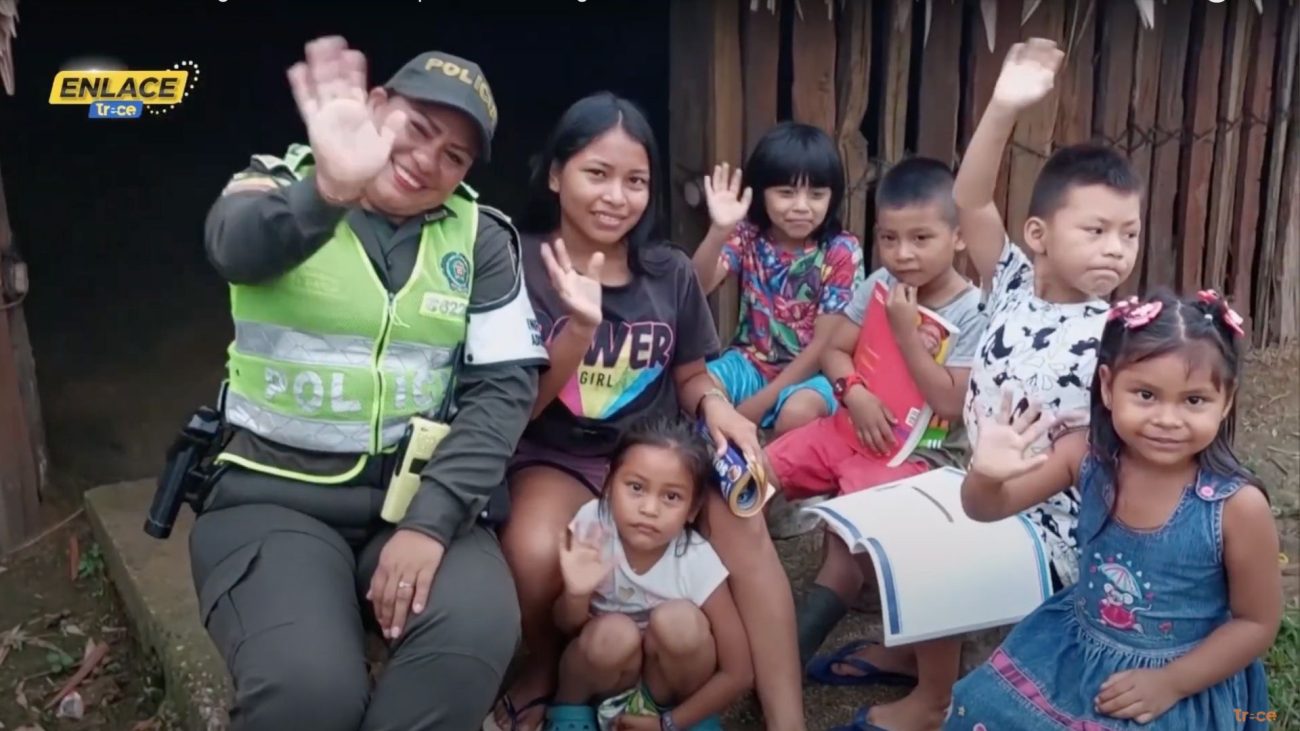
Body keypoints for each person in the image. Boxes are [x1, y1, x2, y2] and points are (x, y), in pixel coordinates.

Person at [189, 37, 547, 731]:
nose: (427, 162)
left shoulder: (481, 239)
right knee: (308, 695)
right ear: (376, 105)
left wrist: (432, 519)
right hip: (271, 498)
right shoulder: (274, 182)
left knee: (470, 635)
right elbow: (234, 246)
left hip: (416, 502)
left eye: (455, 156)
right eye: (416, 130)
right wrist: (329, 189)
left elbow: (503, 392)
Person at [489, 92, 807, 731]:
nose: (616, 196)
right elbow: (515, 408)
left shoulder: (668, 273)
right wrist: (577, 331)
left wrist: (716, 406)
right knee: (530, 547)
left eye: (635, 181)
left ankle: (787, 716)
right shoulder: (516, 263)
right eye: (596, 174)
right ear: (556, 175)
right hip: (555, 451)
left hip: (660, 450)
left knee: (745, 520)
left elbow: (689, 371)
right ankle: (549, 667)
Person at [946, 290, 1280, 730]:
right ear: (1107, 385)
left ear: (1227, 400)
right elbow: (986, 509)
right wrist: (985, 475)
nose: (1167, 418)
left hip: (1186, 676)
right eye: (1145, 394)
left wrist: (1172, 683)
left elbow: (1257, 623)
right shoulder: (1084, 455)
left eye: (1193, 400)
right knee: (986, 704)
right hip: (1075, 645)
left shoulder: (1236, 506)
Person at [762, 159, 988, 731]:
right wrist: (852, 391)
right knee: (754, 474)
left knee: (856, 539)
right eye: (889, 238)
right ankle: (736, 613)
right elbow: (837, 347)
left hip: (918, 457)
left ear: (958, 237)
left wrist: (907, 330)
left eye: (921, 238)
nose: (903, 253)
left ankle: (787, 657)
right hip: (845, 431)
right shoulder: (878, 284)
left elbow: (948, 402)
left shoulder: (974, 313)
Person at [956, 38, 1143, 594]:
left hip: (1057, 528)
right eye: (1096, 230)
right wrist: (1003, 108)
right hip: (986, 487)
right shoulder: (1012, 282)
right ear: (1037, 235)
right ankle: (927, 675)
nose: (1116, 248)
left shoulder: (1123, 333)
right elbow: (970, 201)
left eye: (1129, 234)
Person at [546, 416, 752, 731]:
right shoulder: (593, 527)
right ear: (608, 484)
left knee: (680, 622)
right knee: (613, 632)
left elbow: (738, 672)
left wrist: (667, 723)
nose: (649, 509)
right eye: (636, 488)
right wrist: (576, 594)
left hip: (667, 687)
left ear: (693, 509)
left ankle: (671, 715)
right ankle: (570, 709)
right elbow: (565, 627)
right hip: (605, 673)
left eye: (671, 496)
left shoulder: (696, 561)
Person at [691, 122, 865, 434]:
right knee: (701, 388)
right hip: (750, 363)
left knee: (797, 412)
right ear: (760, 193)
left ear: (833, 196)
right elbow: (697, 287)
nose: (801, 206)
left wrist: (755, 407)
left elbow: (824, 347)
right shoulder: (748, 233)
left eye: (816, 194)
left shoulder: (841, 250)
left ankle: (778, 478)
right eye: (786, 193)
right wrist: (719, 231)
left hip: (816, 374)